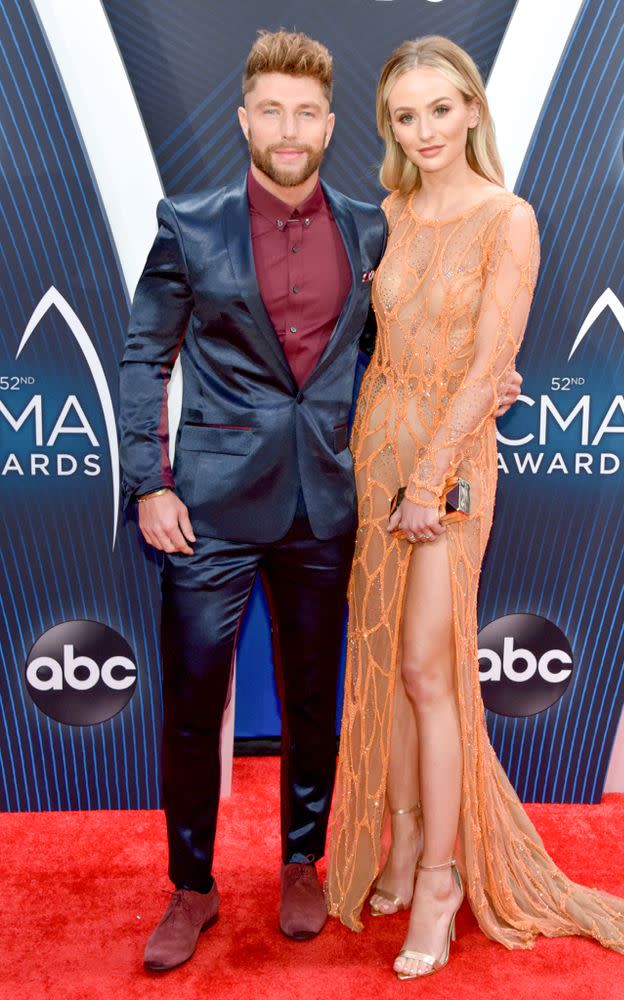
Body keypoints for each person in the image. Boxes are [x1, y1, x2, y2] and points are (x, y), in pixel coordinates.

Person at [119, 27, 526, 972]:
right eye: (271, 110)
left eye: (306, 112)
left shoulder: (373, 221)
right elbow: (146, 357)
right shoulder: (189, 221)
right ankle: (191, 886)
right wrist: (150, 482)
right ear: (245, 119)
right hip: (208, 507)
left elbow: (407, 343)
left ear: (332, 123)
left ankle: (302, 862)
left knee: (316, 699)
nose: (289, 128)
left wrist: (486, 384)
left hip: (338, 500)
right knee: (190, 704)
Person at [325, 35, 624, 980]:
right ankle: (397, 840)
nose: (424, 130)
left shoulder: (507, 217)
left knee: (432, 669)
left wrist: (430, 479)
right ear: (389, 127)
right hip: (375, 443)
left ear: (471, 108)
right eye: (404, 116)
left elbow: (486, 363)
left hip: (451, 460)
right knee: (386, 659)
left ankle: (440, 875)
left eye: (440, 109)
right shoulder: (386, 213)